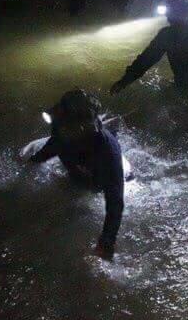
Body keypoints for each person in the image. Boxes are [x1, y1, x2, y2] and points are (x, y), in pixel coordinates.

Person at [28, 89, 124, 260]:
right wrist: (34, 161)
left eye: (67, 124)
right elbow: (53, 145)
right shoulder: (61, 126)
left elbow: (115, 202)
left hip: (95, 180)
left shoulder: (107, 151)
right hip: (75, 168)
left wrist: (106, 242)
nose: (61, 127)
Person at [110, 0, 188, 94]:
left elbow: (146, 59)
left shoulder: (168, 35)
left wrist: (123, 82)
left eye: (171, 13)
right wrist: (124, 81)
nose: (168, 16)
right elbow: (146, 59)